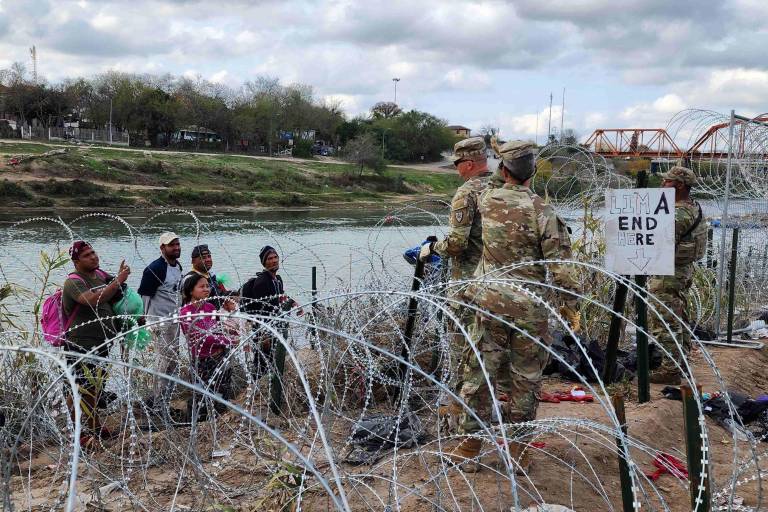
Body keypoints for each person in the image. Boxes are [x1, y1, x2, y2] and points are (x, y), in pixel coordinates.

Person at [452, 141, 581, 472]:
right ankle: (518, 451)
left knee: (479, 374)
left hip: (488, 303)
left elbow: (491, 182)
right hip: (529, 310)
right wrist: (570, 306)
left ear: (503, 169)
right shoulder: (542, 211)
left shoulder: (487, 200)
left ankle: (469, 447)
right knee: (524, 380)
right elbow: (562, 267)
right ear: (533, 172)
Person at [419, 137, 492, 420]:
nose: (457, 169)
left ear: (470, 163)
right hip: (501, 283)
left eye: (459, 164)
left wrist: (431, 249)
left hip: (468, 284)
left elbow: (457, 243)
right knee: (493, 351)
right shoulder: (504, 189)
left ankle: (463, 416)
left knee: (463, 351)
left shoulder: (467, 192)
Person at [62, 240, 130, 441]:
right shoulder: (74, 281)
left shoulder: (100, 275)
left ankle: (94, 426)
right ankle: (79, 432)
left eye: (93, 252)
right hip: (80, 343)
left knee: (95, 388)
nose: (93, 257)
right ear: (76, 261)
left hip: (102, 342)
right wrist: (118, 280)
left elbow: (117, 293)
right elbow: (91, 300)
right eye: (86, 255)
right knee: (79, 388)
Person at [649, 166, 707, 384]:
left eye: (667, 182)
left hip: (668, 272)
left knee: (665, 319)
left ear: (680, 185)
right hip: (681, 271)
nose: (662, 185)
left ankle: (671, 370)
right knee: (677, 316)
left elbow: (659, 242)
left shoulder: (678, 213)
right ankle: (680, 363)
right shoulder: (693, 208)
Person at [240, 246, 302, 380]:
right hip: (265, 330)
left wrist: (293, 302)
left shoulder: (277, 280)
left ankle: (267, 387)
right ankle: (257, 390)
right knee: (262, 363)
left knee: (273, 361)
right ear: (264, 262)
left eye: (275, 257)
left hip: (275, 326)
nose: (274, 261)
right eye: (270, 258)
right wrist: (264, 334)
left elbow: (280, 296)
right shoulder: (262, 282)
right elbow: (261, 311)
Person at [137, 232, 183, 412]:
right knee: (163, 362)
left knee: (172, 361)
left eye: (178, 244)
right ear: (162, 248)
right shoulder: (154, 269)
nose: (176, 248)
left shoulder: (177, 266)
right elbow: (145, 296)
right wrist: (148, 319)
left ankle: (166, 398)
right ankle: (158, 404)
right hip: (159, 322)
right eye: (172, 245)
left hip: (173, 319)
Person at [179, 273, 234, 421]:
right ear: (191, 290)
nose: (206, 289)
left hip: (219, 356)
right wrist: (227, 340)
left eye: (207, 286)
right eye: (201, 286)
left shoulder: (210, 306)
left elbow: (217, 328)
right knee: (202, 396)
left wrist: (230, 334)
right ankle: (195, 424)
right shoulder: (186, 313)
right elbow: (199, 336)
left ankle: (220, 421)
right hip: (203, 361)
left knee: (222, 391)